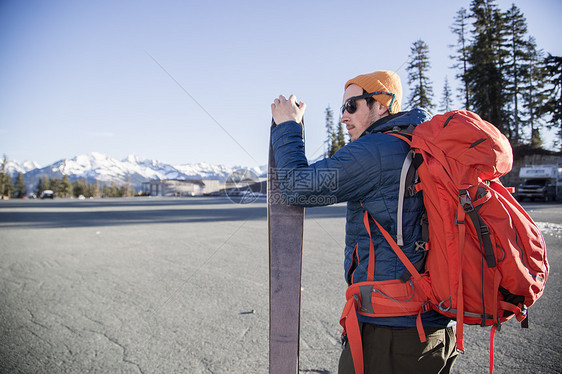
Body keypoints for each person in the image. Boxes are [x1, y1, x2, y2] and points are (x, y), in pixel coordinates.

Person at [270, 70, 458, 373]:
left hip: (392, 336)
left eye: (352, 105)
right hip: (432, 330)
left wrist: (288, 126)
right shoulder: (414, 145)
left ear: (382, 105)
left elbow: (297, 188)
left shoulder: (378, 150)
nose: (344, 116)